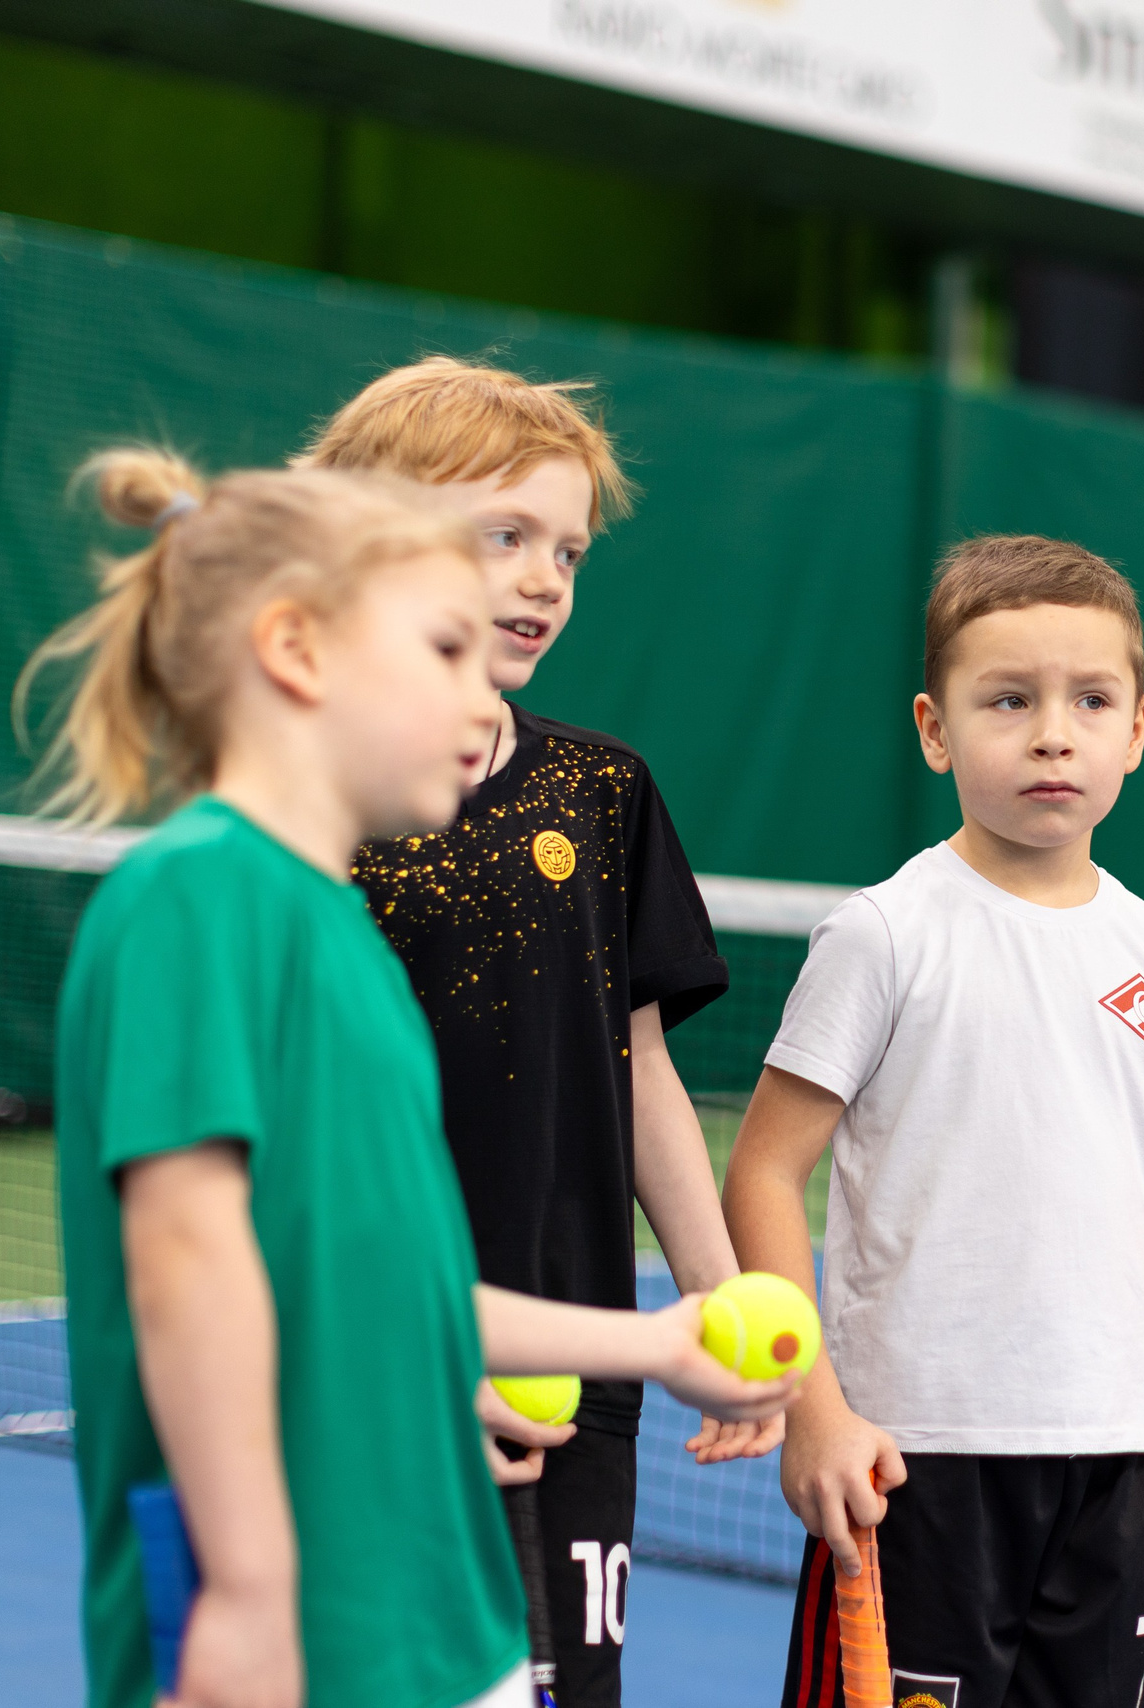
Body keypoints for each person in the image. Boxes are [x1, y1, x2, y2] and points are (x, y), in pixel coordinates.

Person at [28, 452, 793, 1708]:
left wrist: (657, 1340)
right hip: (288, 1623)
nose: (475, 692)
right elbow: (188, 1270)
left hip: (436, 1612)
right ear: (298, 651)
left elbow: (399, 1287)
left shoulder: (342, 939)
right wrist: (254, 1591)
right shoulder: (198, 899)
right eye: (441, 650)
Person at [723, 536, 1144, 1708]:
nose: (1051, 733)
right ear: (934, 729)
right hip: (912, 1463)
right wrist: (811, 1411)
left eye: (1090, 700)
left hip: (1113, 1462)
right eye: (1007, 700)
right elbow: (761, 1176)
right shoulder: (884, 935)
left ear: (1138, 728)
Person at [310, 359, 745, 1707]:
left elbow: (645, 1068)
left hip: (576, 1363)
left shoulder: (604, 791)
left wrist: (718, 1302)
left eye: (568, 548)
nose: (546, 579)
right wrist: (404, 1348)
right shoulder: (315, 804)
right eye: (506, 536)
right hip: (362, 1370)